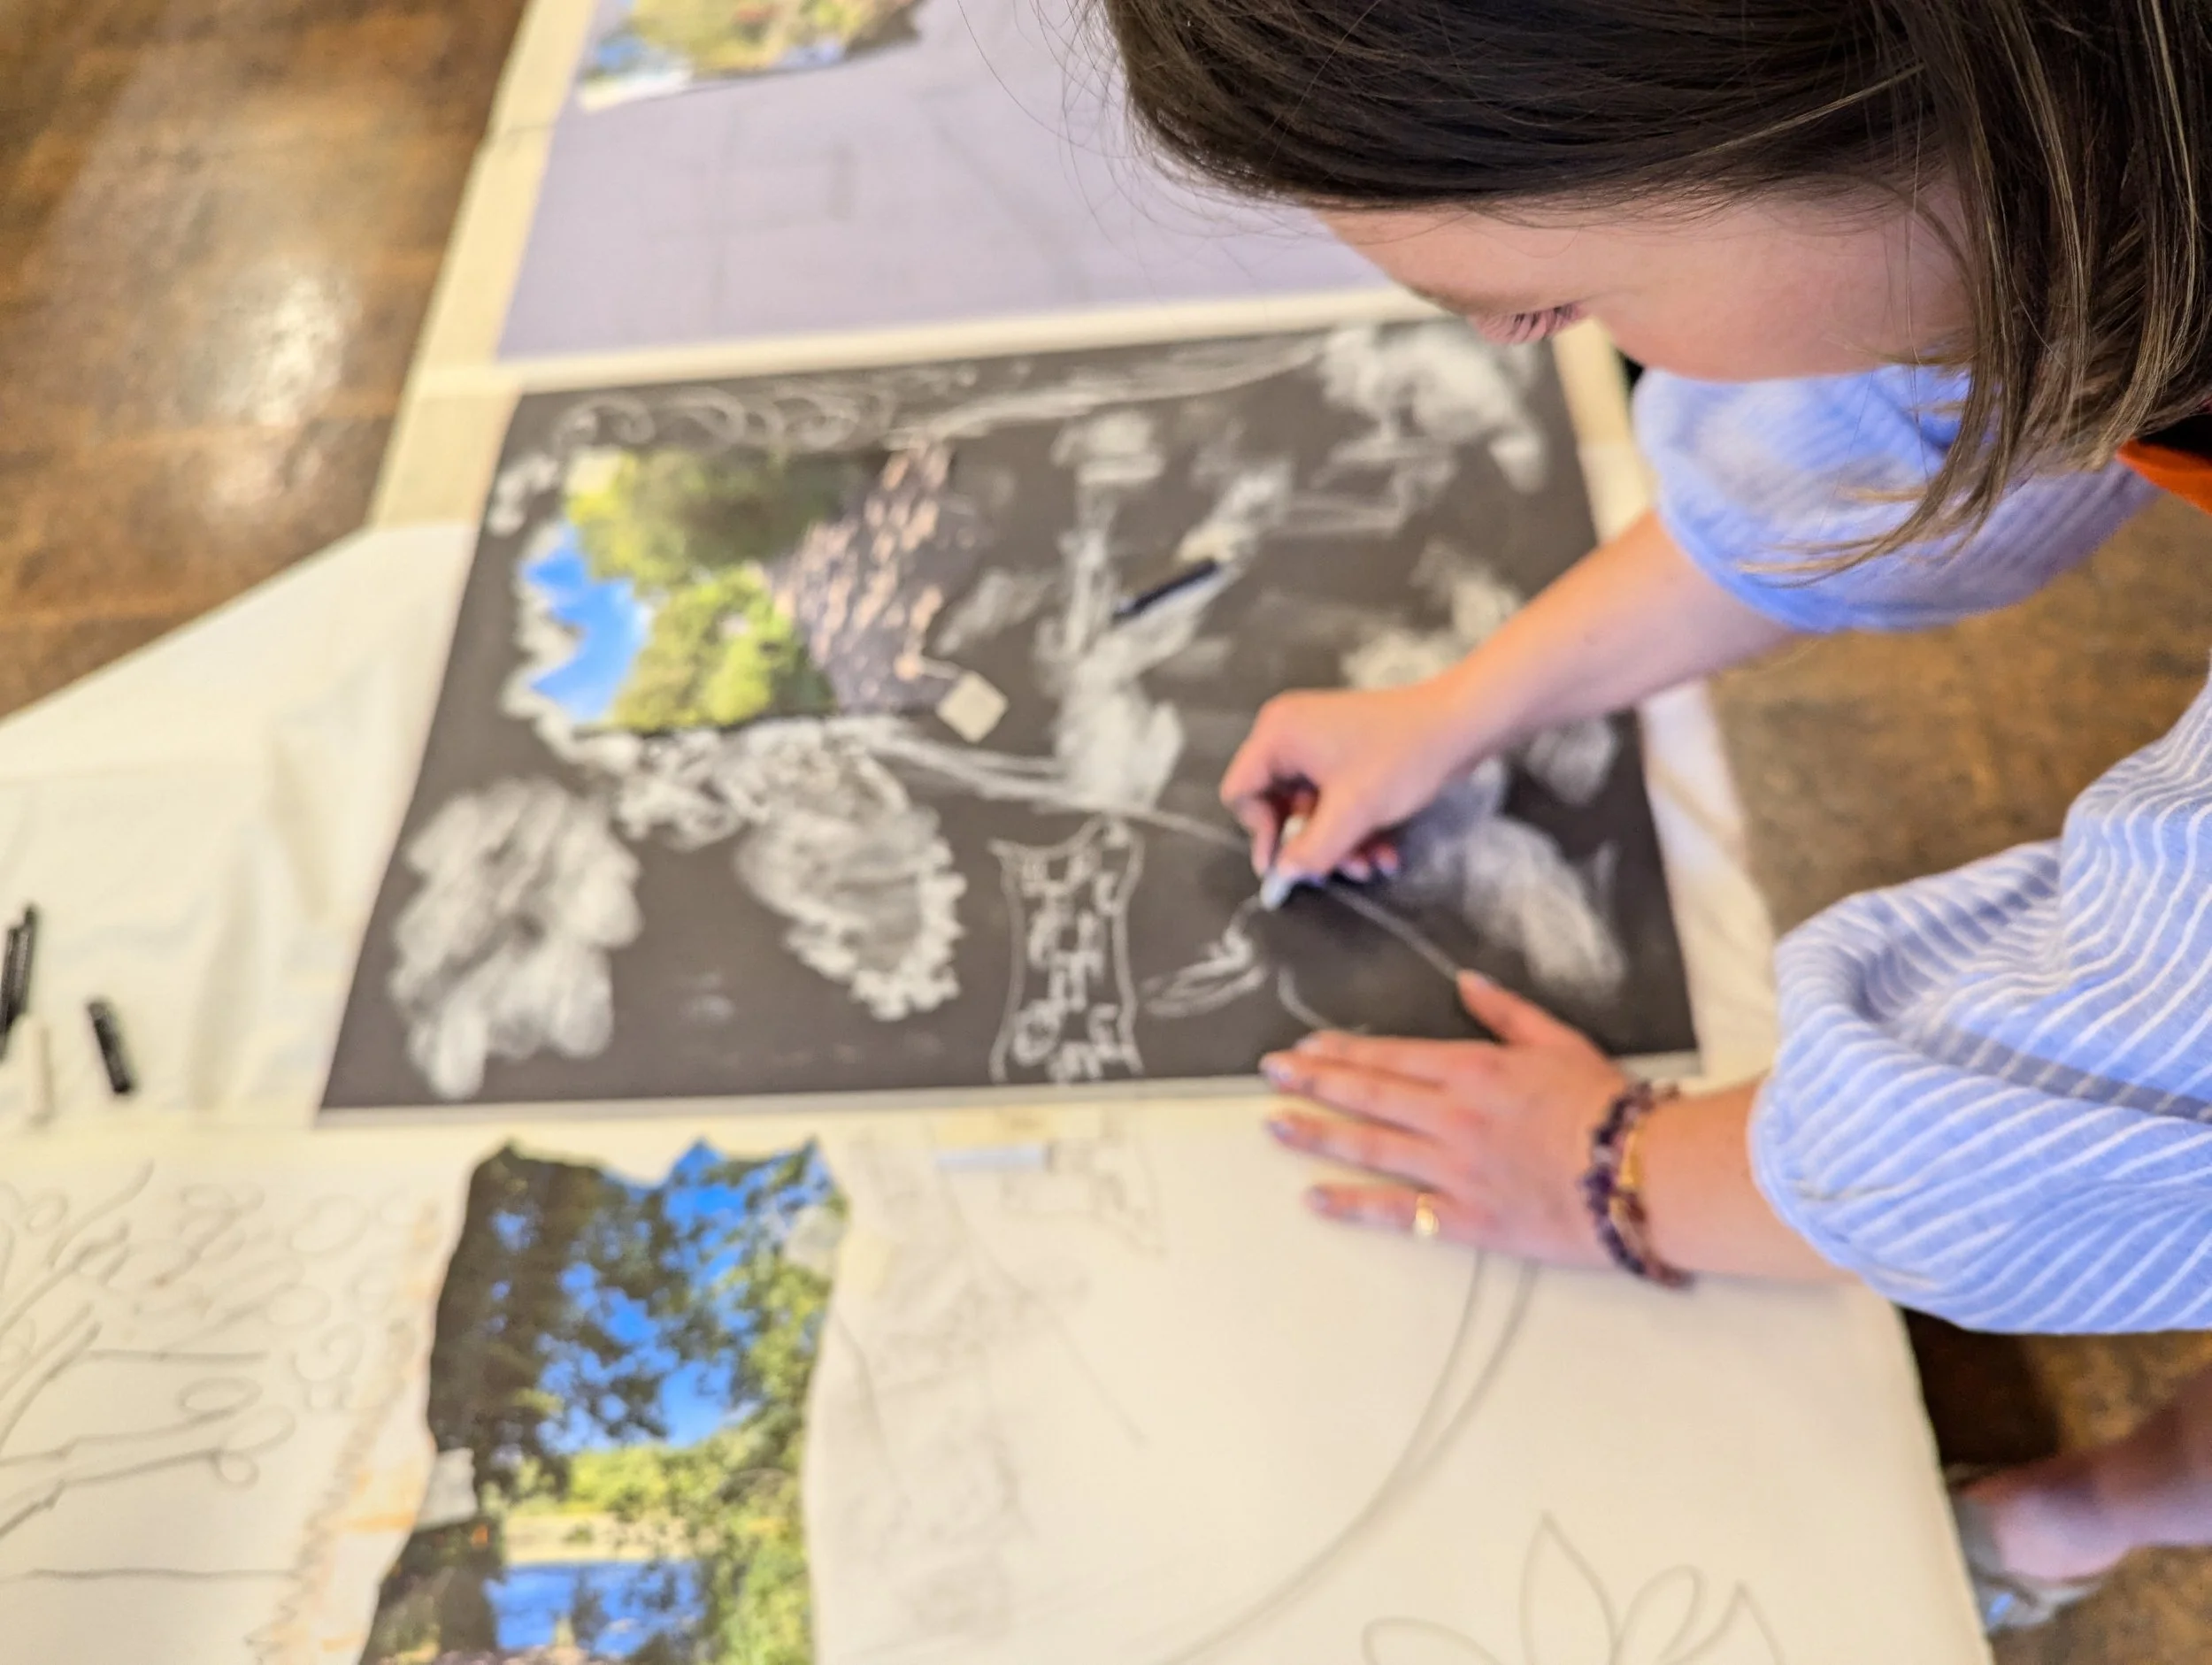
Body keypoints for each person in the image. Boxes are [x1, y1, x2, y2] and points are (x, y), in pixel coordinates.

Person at [1094, 0, 2212, 1631]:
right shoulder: (2076, 156)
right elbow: (1873, 441)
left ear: (1914, 105)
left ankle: (2118, 1504)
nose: (1517, 342)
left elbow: (2115, 1082)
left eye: (1563, 300)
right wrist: (1461, 706)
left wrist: (1614, 1169)